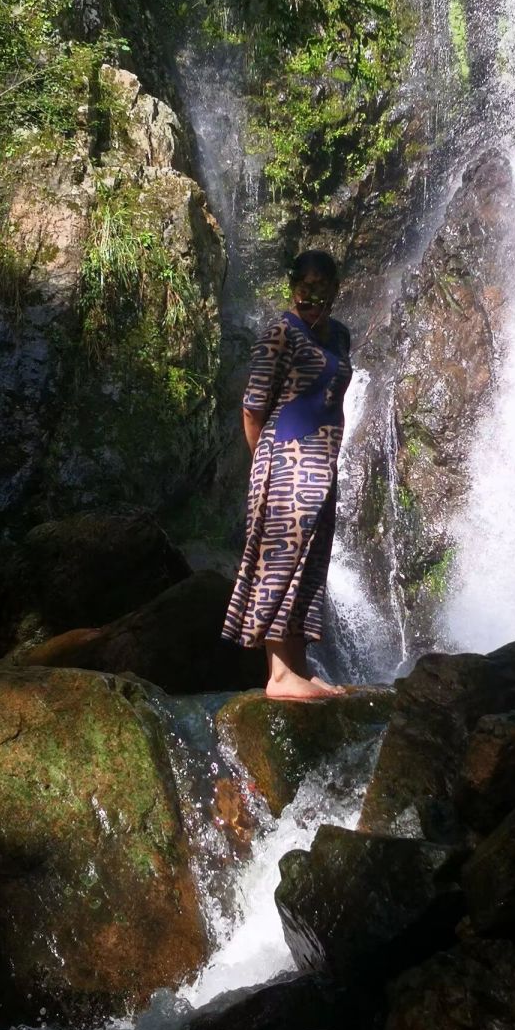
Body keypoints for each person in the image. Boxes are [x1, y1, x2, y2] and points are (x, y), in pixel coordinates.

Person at [222, 249, 352, 698]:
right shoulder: (280, 333)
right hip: (286, 465)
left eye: (322, 283)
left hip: (322, 465)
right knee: (281, 560)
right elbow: (253, 408)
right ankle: (278, 675)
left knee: (310, 563)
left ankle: (299, 666)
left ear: (336, 287)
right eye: (305, 283)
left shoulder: (339, 338)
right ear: (293, 285)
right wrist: (273, 465)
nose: (312, 292)